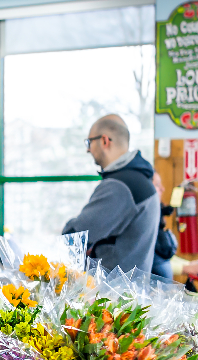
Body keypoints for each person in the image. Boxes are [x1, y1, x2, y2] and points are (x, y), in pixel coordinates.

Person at [62, 114, 160, 272]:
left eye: (89, 142)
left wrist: (70, 231)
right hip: (130, 289)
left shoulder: (119, 186)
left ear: (104, 141)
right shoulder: (140, 179)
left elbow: (75, 237)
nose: (88, 150)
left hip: (111, 293)